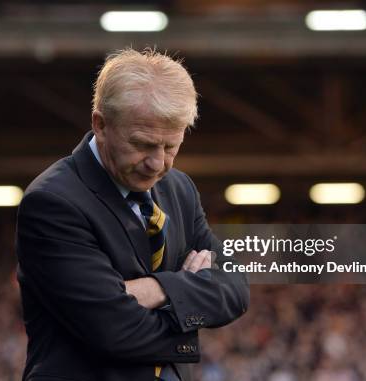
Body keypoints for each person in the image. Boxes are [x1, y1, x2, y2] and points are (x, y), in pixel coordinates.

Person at [15, 47, 249, 381]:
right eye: (142, 144)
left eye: (171, 147)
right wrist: (189, 295)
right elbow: (114, 331)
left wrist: (157, 290)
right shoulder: (53, 202)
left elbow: (236, 288)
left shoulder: (179, 188)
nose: (158, 163)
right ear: (100, 124)